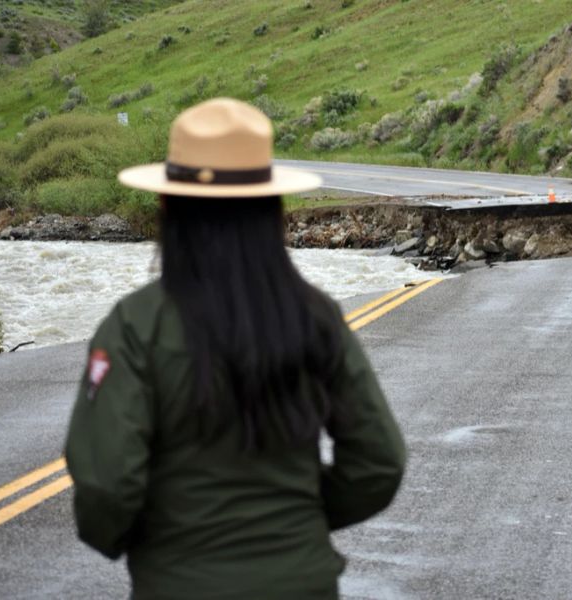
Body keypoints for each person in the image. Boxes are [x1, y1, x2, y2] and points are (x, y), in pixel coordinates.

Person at [64, 98, 406, 599]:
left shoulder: (136, 325)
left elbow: (105, 484)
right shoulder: (316, 317)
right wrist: (301, 517)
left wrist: (137, 539)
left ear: (167, 206)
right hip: (303, 582)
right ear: (273, 208)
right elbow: (380, 462)